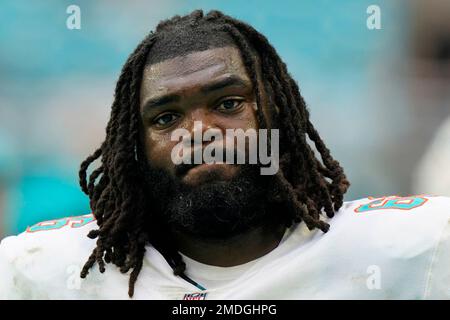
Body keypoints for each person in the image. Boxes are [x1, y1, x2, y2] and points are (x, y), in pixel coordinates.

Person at [0, 10, 449, 300]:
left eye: (229, 104)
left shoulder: (413, 248)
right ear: (133, 149)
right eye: (165, 118)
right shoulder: (41, 270)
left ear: (279, 114)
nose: (199, 133)